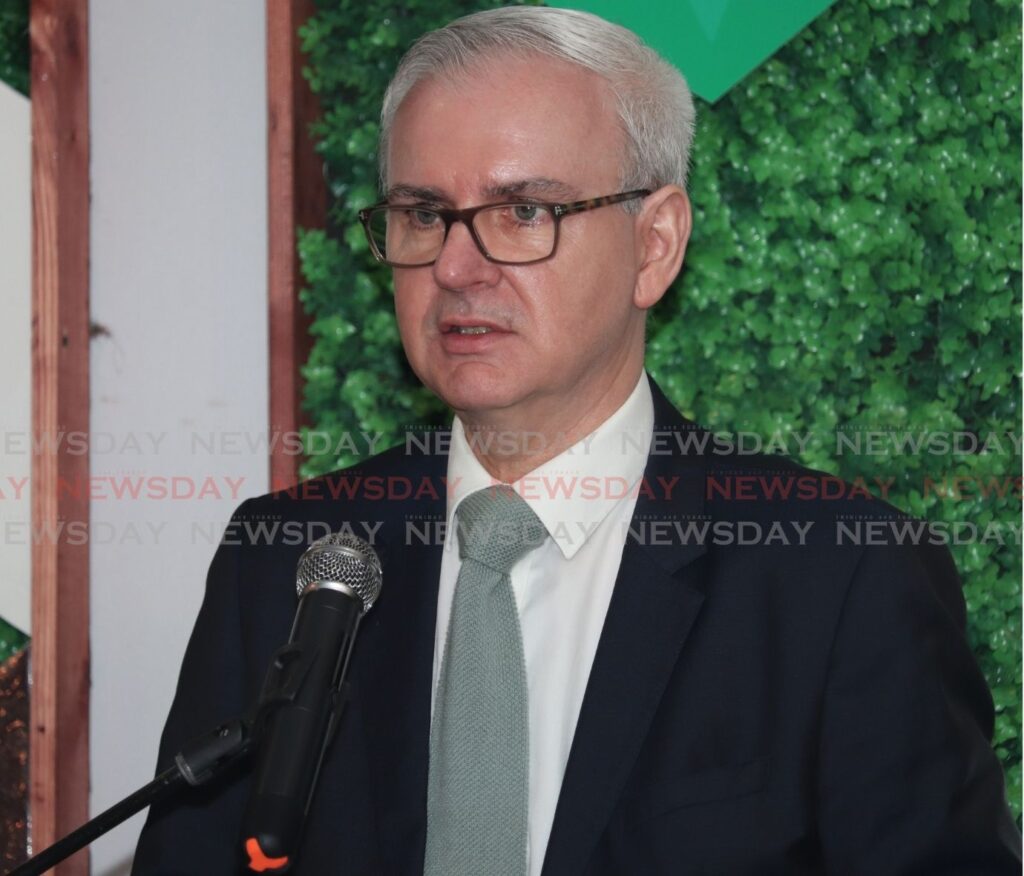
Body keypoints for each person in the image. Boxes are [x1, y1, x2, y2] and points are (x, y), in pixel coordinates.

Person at [133, 6, 1020, 874]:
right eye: (422, 214)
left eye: (523, 212)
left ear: (655, 245)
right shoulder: (288, 560)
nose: (454, 266)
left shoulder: (839, 573)